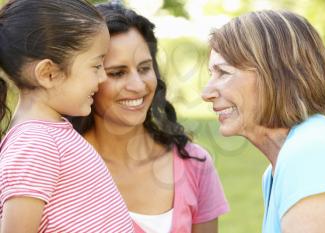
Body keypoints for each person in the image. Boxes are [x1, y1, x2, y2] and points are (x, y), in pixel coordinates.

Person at [69, 2, 229, 233]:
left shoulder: (194, 163)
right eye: (117, 73)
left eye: (144, 68)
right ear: (87, 77)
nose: (138, 85)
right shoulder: (57, 166)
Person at [201, 9, 325, 233]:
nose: (207, 92)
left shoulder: (312, 155)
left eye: (223, 73)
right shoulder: (282, 164)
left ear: (275, 77)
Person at [0, 0, 134, 232]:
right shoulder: (35, 144)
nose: (102, 78)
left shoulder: (51, 134)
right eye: (96, 66)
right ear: (49, 73)